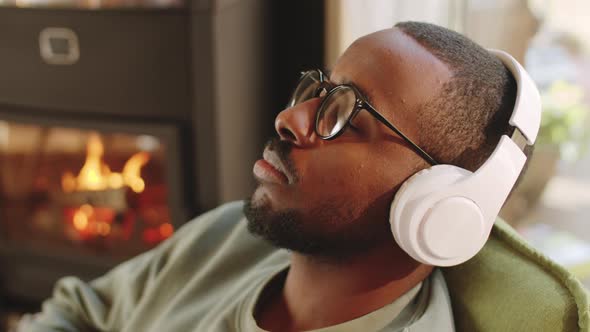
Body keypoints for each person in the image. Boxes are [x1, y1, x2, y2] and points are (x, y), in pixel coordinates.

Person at [21, 21, 534, 332]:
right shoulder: (228, 237)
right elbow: (81, 311)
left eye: (345, 113)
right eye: (319, 90)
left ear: (437, 205)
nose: (289, 119)